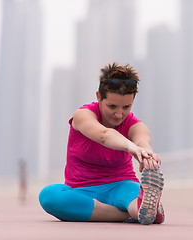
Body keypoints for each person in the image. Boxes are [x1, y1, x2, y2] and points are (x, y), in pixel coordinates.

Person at [39, 62, 164, 225]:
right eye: (112, 106)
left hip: (121, 185)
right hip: (82, 191)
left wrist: (147, 155)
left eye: (126, 107)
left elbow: (142, 140)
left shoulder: (135, 125)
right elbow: (104, 135)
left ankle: (144, 210)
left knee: (136, 200)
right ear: (99, 97)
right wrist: (131, 147)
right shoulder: (83, 115)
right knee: (49, 196)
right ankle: (127, 215)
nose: (119, 114)